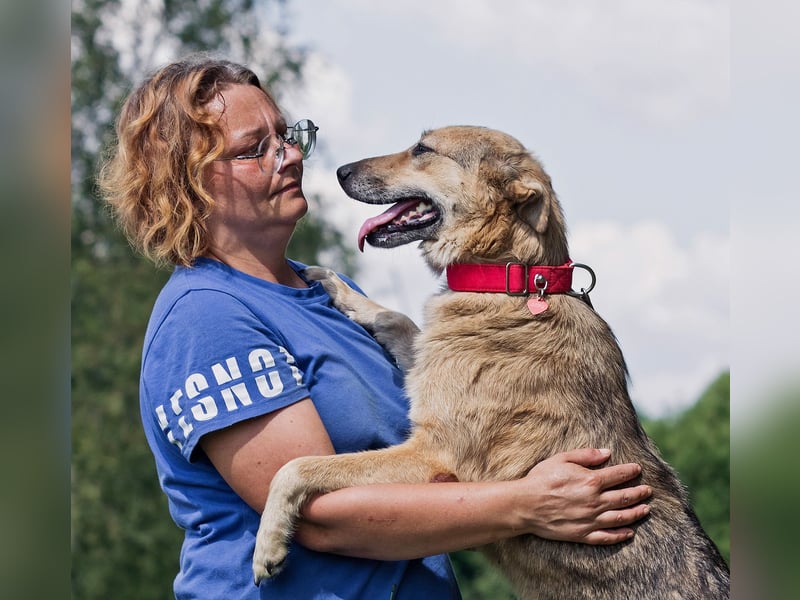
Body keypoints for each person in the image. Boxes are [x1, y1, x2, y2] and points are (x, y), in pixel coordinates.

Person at [99, 54, 652, 599]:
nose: (289, 156)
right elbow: (325, 520)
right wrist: (528, 504)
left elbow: (446, 443)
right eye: (254, 150)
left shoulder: (329, 294)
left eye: (286, 136)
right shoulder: (208, 317)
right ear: (189, 184)